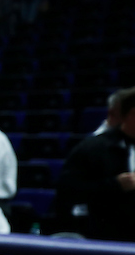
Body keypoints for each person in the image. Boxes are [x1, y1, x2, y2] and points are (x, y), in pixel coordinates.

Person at [56, 90, 135, 242]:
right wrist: (115, 185)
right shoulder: (93, 148)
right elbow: (68, 190)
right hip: (107, 238)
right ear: (132, 113)